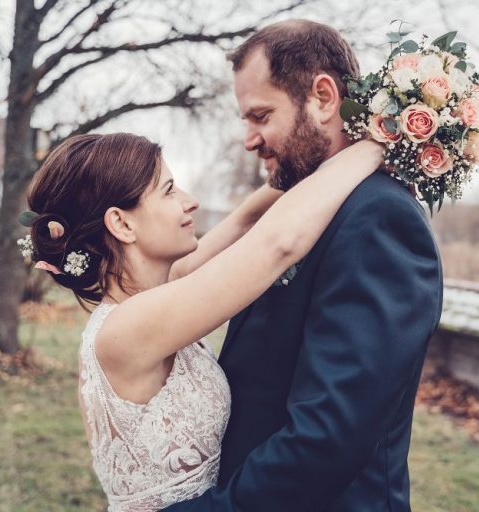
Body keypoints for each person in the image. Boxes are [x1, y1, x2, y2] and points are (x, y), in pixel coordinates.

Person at [165, 20, 443, 512]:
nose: (249, 140)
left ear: (323, 98)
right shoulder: (296, 208)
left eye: (260, 116)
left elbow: (327, 436)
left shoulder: (379, 218)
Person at [24, 131, 383, 510]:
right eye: (168, 191)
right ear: (122, 224)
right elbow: (277, 245)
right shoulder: (126, 329)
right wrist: (382, 141)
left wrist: (324, 147)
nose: (190, 201)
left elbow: (246, 219)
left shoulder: (163, 291)